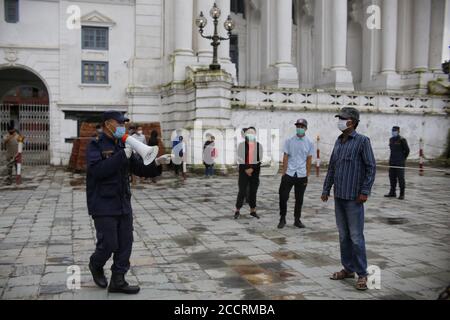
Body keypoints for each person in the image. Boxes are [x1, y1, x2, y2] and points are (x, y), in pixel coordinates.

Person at [86, 110, 170, 294]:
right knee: (108, 243)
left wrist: (157, 163)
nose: (123, 126)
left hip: (123, 202)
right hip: (103, 203)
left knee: (126, 243)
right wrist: (122, 155)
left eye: (124, 123)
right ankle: (96, 264)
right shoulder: (95, 145)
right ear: (108, 124)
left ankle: (118, 280)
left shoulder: (124, 144)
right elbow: (98, 171)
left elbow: (139, 169)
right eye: (119, 123)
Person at [321, 107, 376, 291]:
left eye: (343, 119)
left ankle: (362, 274)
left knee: (356, 237)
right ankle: (348, 268)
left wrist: (365, 191)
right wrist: (326, 189)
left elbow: (371, 167)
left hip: (354, 198)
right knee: (344, 236)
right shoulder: (339, 141)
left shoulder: (362, 141)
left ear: (352, 121)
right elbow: (332, 168)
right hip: (340, 197)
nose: (340, 121)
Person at [278, 119, 313, 229]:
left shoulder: (310, 142)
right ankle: (282, 218)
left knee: (299, 199)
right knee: (283, 197)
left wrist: (307, 174)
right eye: (298, 126)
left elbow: (309, 159)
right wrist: (283, 172)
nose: (300, 128)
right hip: (289, 173)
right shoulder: (289, 140)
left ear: (306, 128)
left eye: (302, 126)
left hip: (301, 174)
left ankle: (297, 220)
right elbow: (285, 156)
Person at [234, 127, 263, 219]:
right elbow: (240, 158)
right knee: (242, 191)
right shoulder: (241, 145)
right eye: (249, 133)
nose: (250, 134)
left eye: (252, 133)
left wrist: (252, 169)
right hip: (243, 172)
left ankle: (253, 210)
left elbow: (259, 159)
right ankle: (237, 210)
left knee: (253, 192)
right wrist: (246, 169)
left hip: (255, 172)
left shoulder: (259, 146)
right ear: (246, 135)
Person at [384, 126, 410, 200]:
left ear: (398, 131)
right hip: (392, 162)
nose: (393, 132)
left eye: (395, 131)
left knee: (401, 178)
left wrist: (403, 158)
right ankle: (392, 192)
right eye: (392, 130)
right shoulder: (391, 139)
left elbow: (407, 150)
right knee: (392, 178)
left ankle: (402, 194)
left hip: (400, 163)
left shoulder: (402, 140)